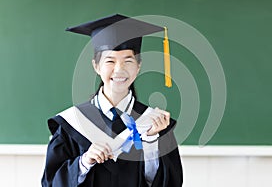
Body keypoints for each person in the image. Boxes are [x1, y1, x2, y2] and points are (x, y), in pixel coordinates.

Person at [42, 14, 183, 187]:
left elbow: (169, 183)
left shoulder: (154, 124)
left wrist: (152, 141)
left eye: (128, 61)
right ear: (96, 66)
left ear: (138, 67)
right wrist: (84, 162)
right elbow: (51, 183)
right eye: (110, 60)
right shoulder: (72, 123)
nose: (119, 70)